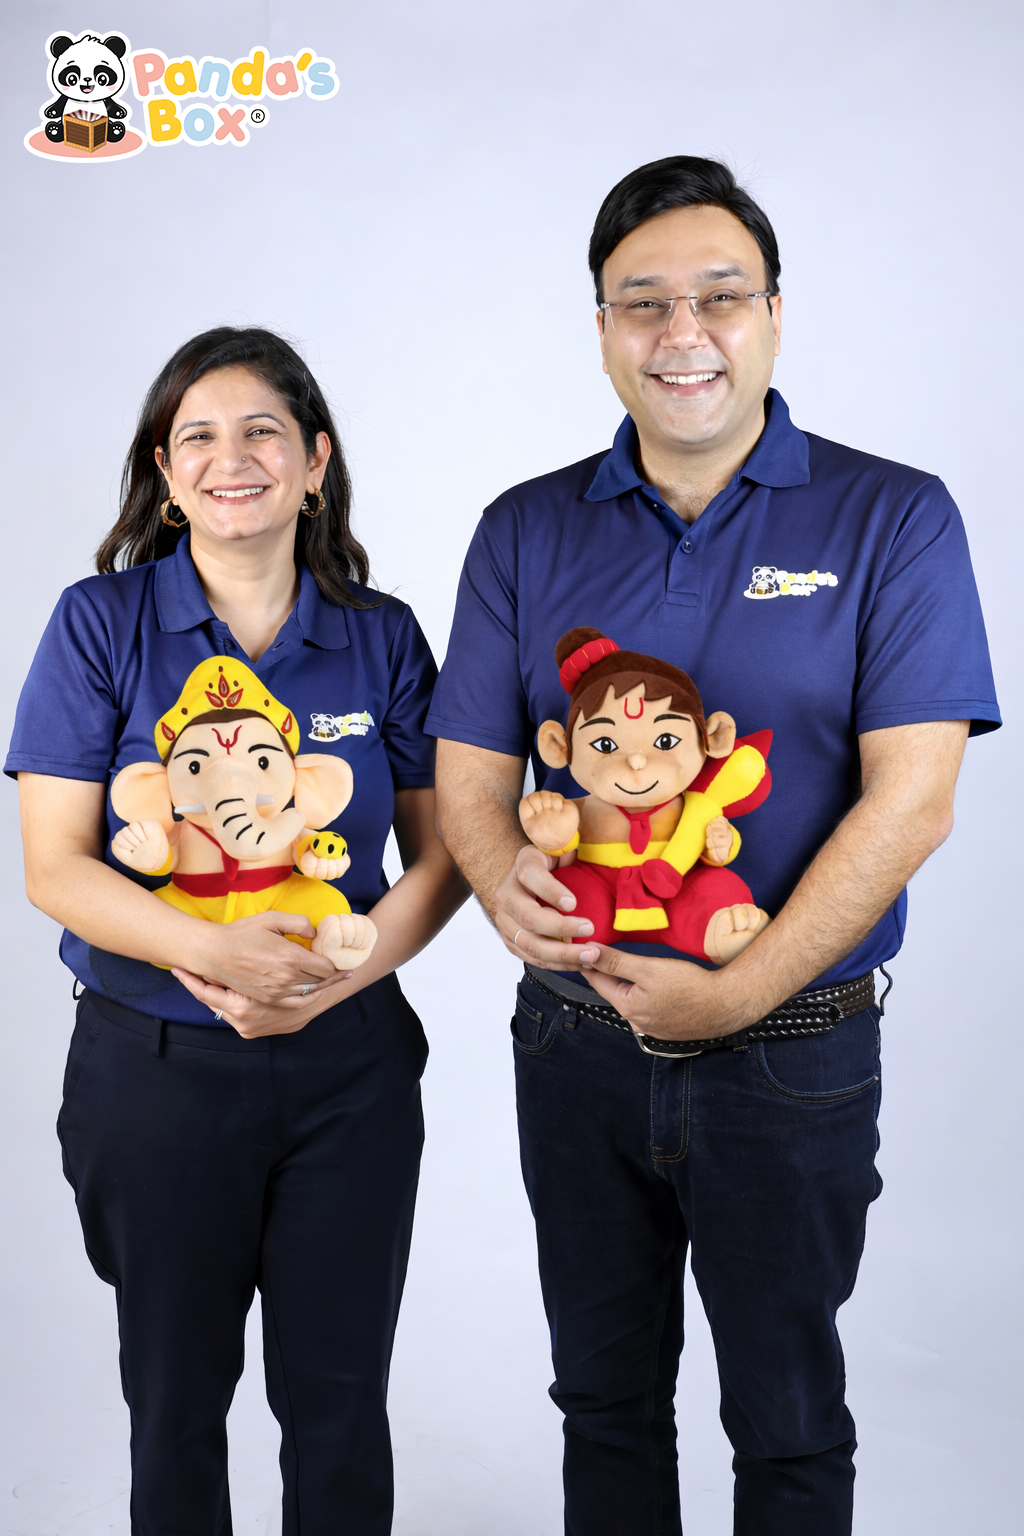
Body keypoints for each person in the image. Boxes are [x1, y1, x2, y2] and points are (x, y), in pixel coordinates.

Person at [427, 157, 1000, 1535]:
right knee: (603, 1403)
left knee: (787, 1422)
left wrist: (735, 993)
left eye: (719, 297)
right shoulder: (524, 529)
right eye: (643, 303)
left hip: (791, 1049)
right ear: (603, 330)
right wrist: (509, 891)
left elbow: (914, 800)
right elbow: (471, 780)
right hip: (575, 1045)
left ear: (774, 317)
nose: (681, 333)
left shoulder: (892, 515)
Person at [7, 326, 466, 1535]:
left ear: (315, 462)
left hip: (348, 1074)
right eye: (198, 437)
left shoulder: (381, 635)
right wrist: (215, 956)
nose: (233, 458)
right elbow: (54, 866)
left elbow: (443, 861)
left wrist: (329, 986)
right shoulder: (99, 624)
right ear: (165, 475)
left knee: (338, 1404)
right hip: (156, 1073)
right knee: (174, 1403)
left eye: (263, 431)